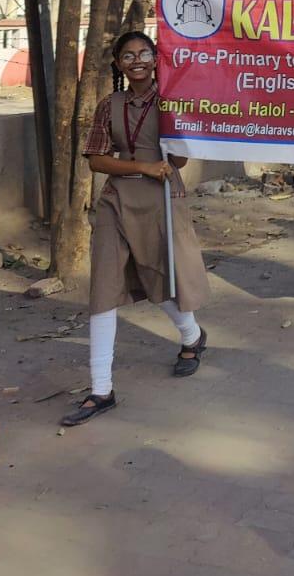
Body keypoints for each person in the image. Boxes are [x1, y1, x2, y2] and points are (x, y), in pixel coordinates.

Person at [64, 31, 211, 427]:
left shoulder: (171, 101)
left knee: (159, 276)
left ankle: (192, 337)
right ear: (118, 64)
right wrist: (142, 166)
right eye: (127, 56)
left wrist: (174, 125)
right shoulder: (108, 105)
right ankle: (100, 389)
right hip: (117, 202)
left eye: (144, 53)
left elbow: (178, 161)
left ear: (155, 58)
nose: (137, 61)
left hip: (162, 201)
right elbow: (96, 160)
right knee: (103, 289)